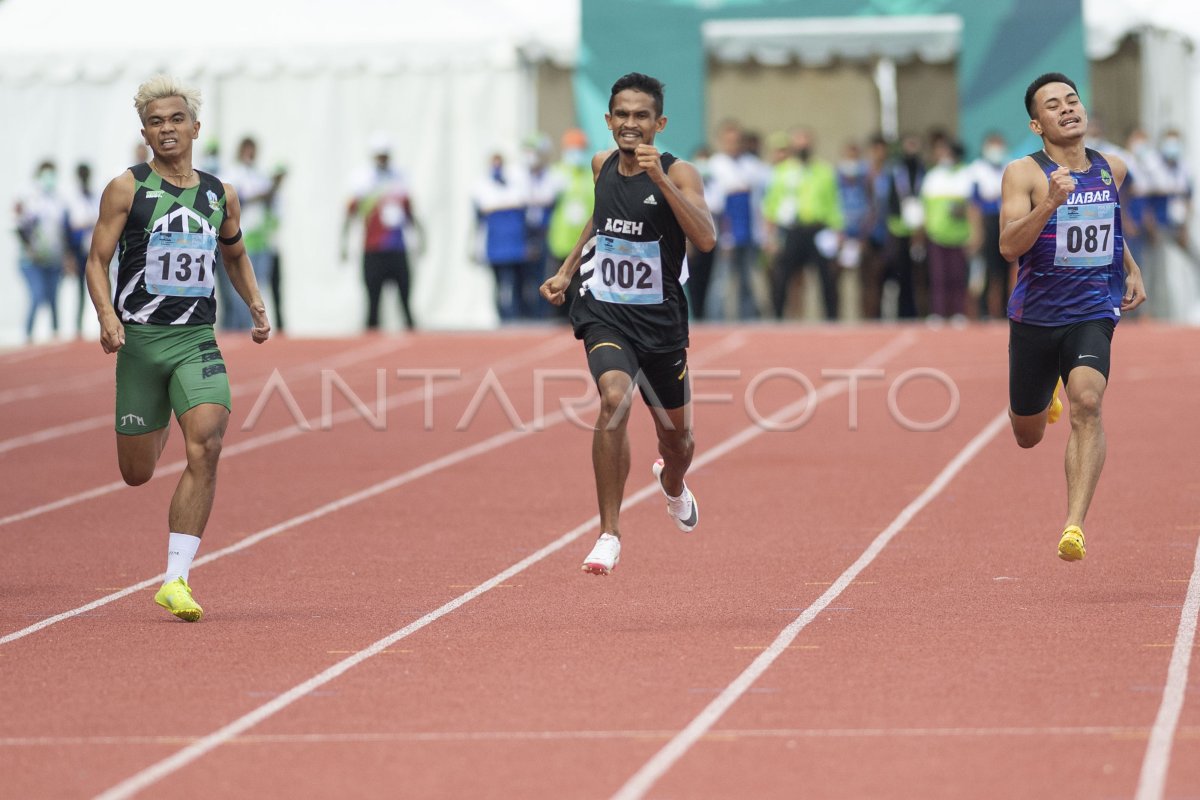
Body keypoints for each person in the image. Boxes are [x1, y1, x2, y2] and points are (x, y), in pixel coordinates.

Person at [84, 74, 270, 621]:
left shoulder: (220, 194)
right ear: (145, 133)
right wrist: (106, 314)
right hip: (140, 343)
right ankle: (157, 413)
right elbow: (97, 260)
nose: (167, 129)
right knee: (137, 472)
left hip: (195, 339)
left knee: (207, 444)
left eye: (175, 120)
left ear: (195, 127)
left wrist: (256, 305)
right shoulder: (127, 188)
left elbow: (234, 255)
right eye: (156, 123)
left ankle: (176, 578)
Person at [540, 72, 716, 575]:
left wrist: (659, 180)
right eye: (622, 114)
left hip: (660, 322)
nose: (630, 124)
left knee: (677, 442)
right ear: (608, 120)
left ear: (659, 123)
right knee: (614, 399)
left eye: (642, 116)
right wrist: (567, 270)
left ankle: (674, 483)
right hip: (605, 311)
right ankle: (609, 534)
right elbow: (600, 219)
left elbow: (705, 238)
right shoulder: (600, 165)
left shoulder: (680, 174)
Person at [999, 72, 1146, 562]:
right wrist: (1050, 204)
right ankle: (1045, 400)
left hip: (1092, 310)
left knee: (1089, 402)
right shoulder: (1024, 173)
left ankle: (1074, 524)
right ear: (1036, 124)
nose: (1067, 109)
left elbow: (1108, 229)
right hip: (1036, 317)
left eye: (1072, 100)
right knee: (1028, 435)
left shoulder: (1112, 168)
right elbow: (1008, 247)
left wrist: (1131, 267)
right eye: (1053, 105)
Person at [342, 133, 421, 331]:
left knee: (405, 300)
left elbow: (410, 211)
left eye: (385, 155)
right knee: (373, 302)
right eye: (379, 155)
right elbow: (350, 213)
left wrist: (420, 236)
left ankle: (413, 340)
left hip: (396, 247)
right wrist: (343, 243)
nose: (383, 159)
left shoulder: (399, 178)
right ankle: (371, 332)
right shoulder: (363, 181)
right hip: (373, 248)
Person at [764, 127, 843, 320]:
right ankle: (777, 317)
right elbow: (771, 204)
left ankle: (832, 318)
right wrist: (771, 236)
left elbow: (834, 202)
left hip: (818, 229)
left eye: (805, 142)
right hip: (792, 230)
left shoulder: (824, 171)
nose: (802, 147)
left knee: (827, 277)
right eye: (798, 143)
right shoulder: (782, 172)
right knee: (782, 276)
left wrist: (838, 230)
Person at [220, 136, 284, 330]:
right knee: (238, 289)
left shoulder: (260, 175)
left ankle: (252, 326)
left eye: (253, 149)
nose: (250, 154)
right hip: (241, 237)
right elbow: (234, 201)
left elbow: (273, 203)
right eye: (247, 149)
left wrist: (274, 187)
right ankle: (239, 329)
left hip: (261, 240)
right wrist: (261, 195)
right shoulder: (232, 174)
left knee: (257, 288)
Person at [473, 151, 533, 322]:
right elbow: (479, 220)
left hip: (515, 245)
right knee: (500, 284)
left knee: (517, 282)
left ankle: (516, 314)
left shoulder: (515, 185)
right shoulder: (482, 187)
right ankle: (503, 316)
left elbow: (525, 212)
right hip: (496, 246)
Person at [15, 160, 70, 343]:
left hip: (53, 258)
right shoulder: (30, 198)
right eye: (46, 174)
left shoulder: (59, 200)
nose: (49, 179)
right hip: (32, 260)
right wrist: (30, 248)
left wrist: (66, 256)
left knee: (54, 297)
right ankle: (28, 335)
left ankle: (55, 333)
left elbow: (63, 230)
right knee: (37, 295)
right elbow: (20, 226)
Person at [920, 137, 973, 323]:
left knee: (957, 275)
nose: (943, 156)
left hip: (959, 234)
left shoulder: (966, 175)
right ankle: (938, 312)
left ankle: (958, 311)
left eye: (946, 152)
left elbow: (971, 207)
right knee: (938, 276)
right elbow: (925, 206)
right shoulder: (932, 176)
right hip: (936, 234)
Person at [545, 128, 596, 320]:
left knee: (582, 289)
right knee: (559, 287)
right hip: (562, 241)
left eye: (580, 148)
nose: (576, 152)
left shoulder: (590, 176)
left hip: (586, 242)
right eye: (573, 148)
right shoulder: (556, 174)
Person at [968, 132, 1012, 320]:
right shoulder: (977, 169)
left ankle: (1003, 310)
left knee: (1004, 268)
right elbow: (973, 203)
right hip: (987, 222)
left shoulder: (1010, 166)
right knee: (987, 267)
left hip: (1006, 221)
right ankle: (984, 310)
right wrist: (976, 231)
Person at [66, 162, 101, 338]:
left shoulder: (95, 195)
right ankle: (78, 325)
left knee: (102, 285)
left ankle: (104, 321)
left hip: (96, 248)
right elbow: (69, 227)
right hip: (80, 251)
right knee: (81, 289)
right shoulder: (72, 198)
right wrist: (69, 256)